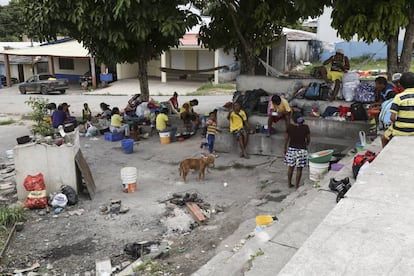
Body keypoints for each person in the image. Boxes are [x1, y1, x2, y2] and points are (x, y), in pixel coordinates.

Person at [382, 72, 414, 147]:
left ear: (401, 85)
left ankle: (385, 154)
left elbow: (392, 118)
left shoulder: (399, 97)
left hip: (400, 131)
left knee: (384, 138)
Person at [283, 112, 310, 189]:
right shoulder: (305, 127)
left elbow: (286, 138)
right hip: (302, 150)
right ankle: (297, 186)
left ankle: (289, 184)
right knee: (299, 169)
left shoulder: (290, 127)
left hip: (292, 149)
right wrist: (306, 145)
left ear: (293, 120)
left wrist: (284, 147)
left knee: (290, 167)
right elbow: (308, 139)